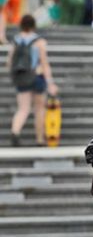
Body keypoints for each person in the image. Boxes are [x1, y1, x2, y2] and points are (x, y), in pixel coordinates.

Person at [7, 14, 59, 146]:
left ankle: (15, 131)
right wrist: (50, 83)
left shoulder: (16, 40)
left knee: (23, 108)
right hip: (37, 77)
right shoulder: (39, 41)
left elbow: (9, 62)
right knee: (39, 109)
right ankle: (40, 139)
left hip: (22, 77)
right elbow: (44, 64)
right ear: (33, 25)